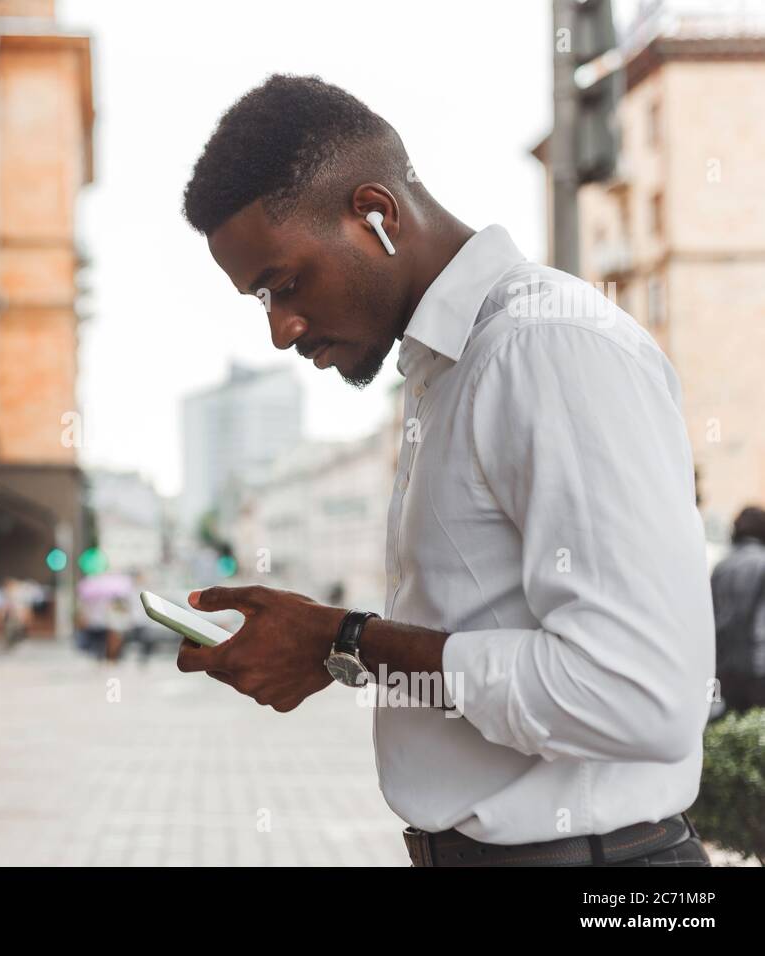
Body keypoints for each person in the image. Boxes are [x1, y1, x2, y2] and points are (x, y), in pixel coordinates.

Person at [174, 75, 714, 867]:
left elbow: (638, 695)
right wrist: (338, 648)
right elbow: (490, 635)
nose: (281, 331)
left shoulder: (545, 347)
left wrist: (347, 638)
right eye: (260, 300)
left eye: (284, 285)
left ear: (376, 215)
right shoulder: (444, 369)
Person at [710, 506, 765, 714]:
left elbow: (712, 617)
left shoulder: (722, 566)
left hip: (723, 669)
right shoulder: (762, 563)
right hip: (756, 669)